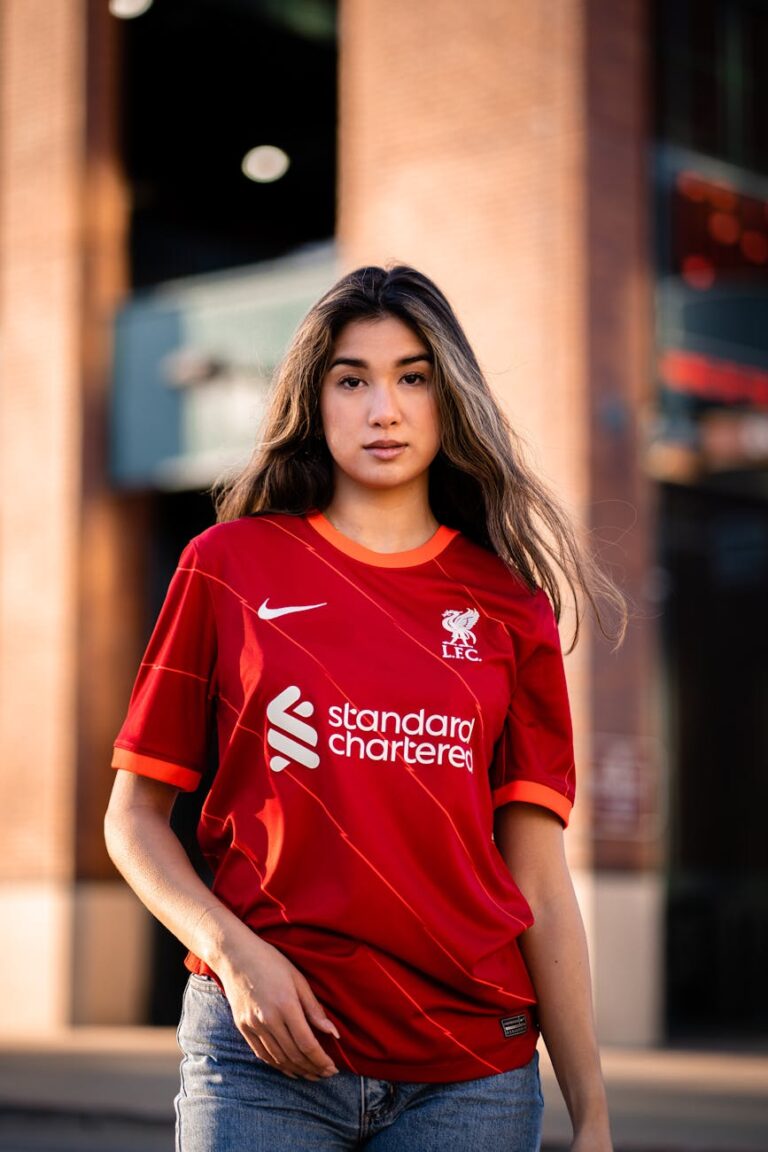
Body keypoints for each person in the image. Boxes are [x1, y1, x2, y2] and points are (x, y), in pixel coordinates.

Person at [104, 262, 627, 1152]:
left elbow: (539, 877)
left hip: (469, 1073)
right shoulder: (227, 567)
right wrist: (233, 955)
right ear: (316, 401)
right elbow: (133, 819)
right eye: (352, 380)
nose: (384, 409)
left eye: (412, 378)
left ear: (448, 399)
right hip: (261, 1059)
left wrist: (594, 1112)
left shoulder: (511, 607)